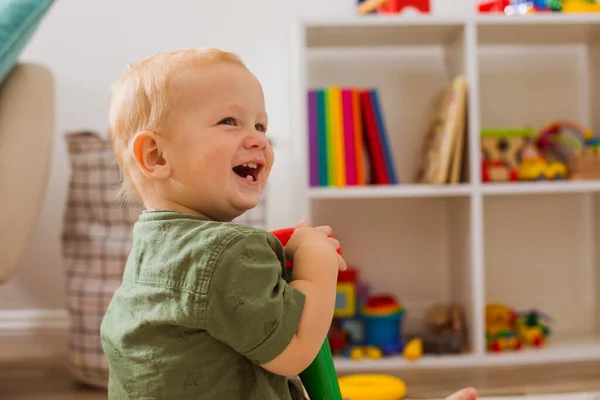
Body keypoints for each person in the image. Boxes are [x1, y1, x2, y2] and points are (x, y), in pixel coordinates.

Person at [100, 48, 478, 400]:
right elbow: (294, 349)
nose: (258, 140)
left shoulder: (152, 248)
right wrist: (317, 265)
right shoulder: (231, 251)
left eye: (261, 126)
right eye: (229, 121)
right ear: (155, 155)